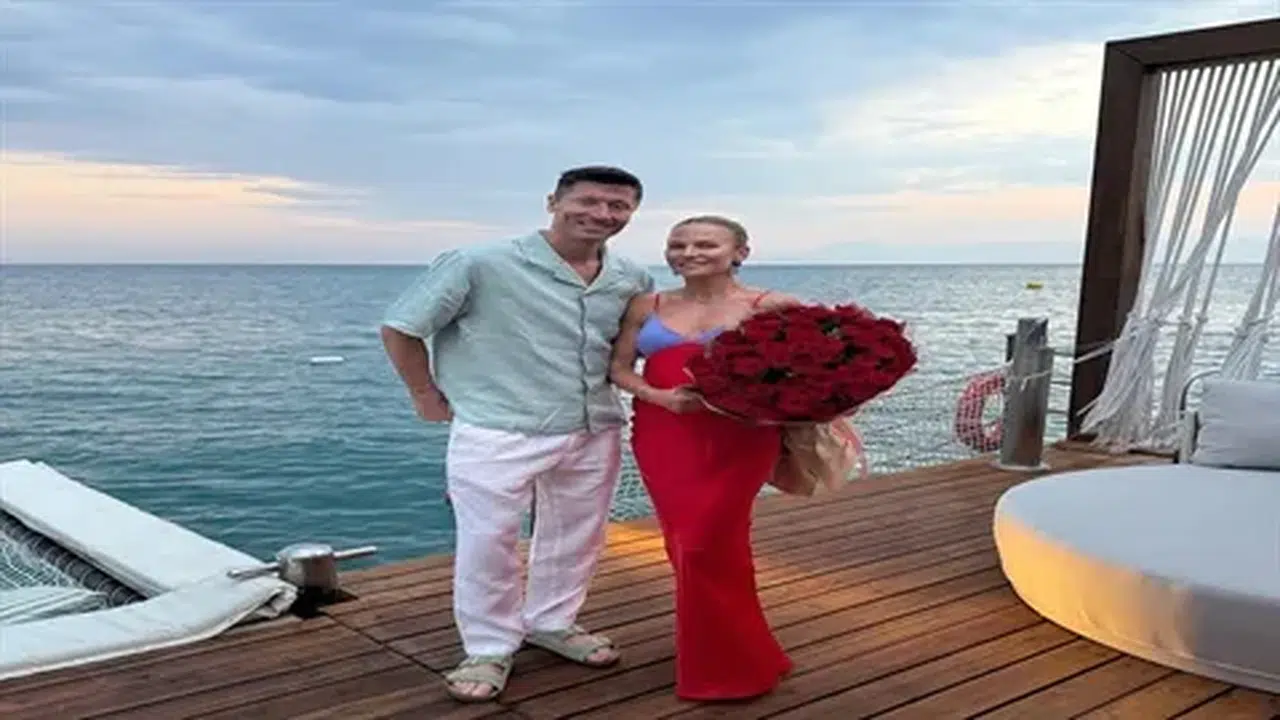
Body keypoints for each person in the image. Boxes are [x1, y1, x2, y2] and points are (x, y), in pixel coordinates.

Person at [380, 166, 654, 703]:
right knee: (488, 540)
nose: (602, 214)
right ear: (553, 201)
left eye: (617, 206)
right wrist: (423, 394)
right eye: (589, 201)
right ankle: (488, 646)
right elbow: (402, 327)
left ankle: (553, 621)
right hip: (498, 427)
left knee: (577, 535)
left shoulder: (631, 276)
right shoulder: (480, 262)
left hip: (594, 424)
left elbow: (629, 347)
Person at [609, 215, 799, 701]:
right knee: (688, 545)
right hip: (663, 434)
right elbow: (619, 369)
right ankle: (749, 650)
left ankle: (726, 668)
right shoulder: (646, 305)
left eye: (705, 244)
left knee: (705, 542)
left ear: (740, 252)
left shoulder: (771, 306)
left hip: (741, 439)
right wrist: (659, 396)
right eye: (678, 245)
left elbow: (813, 370)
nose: (689, 253)